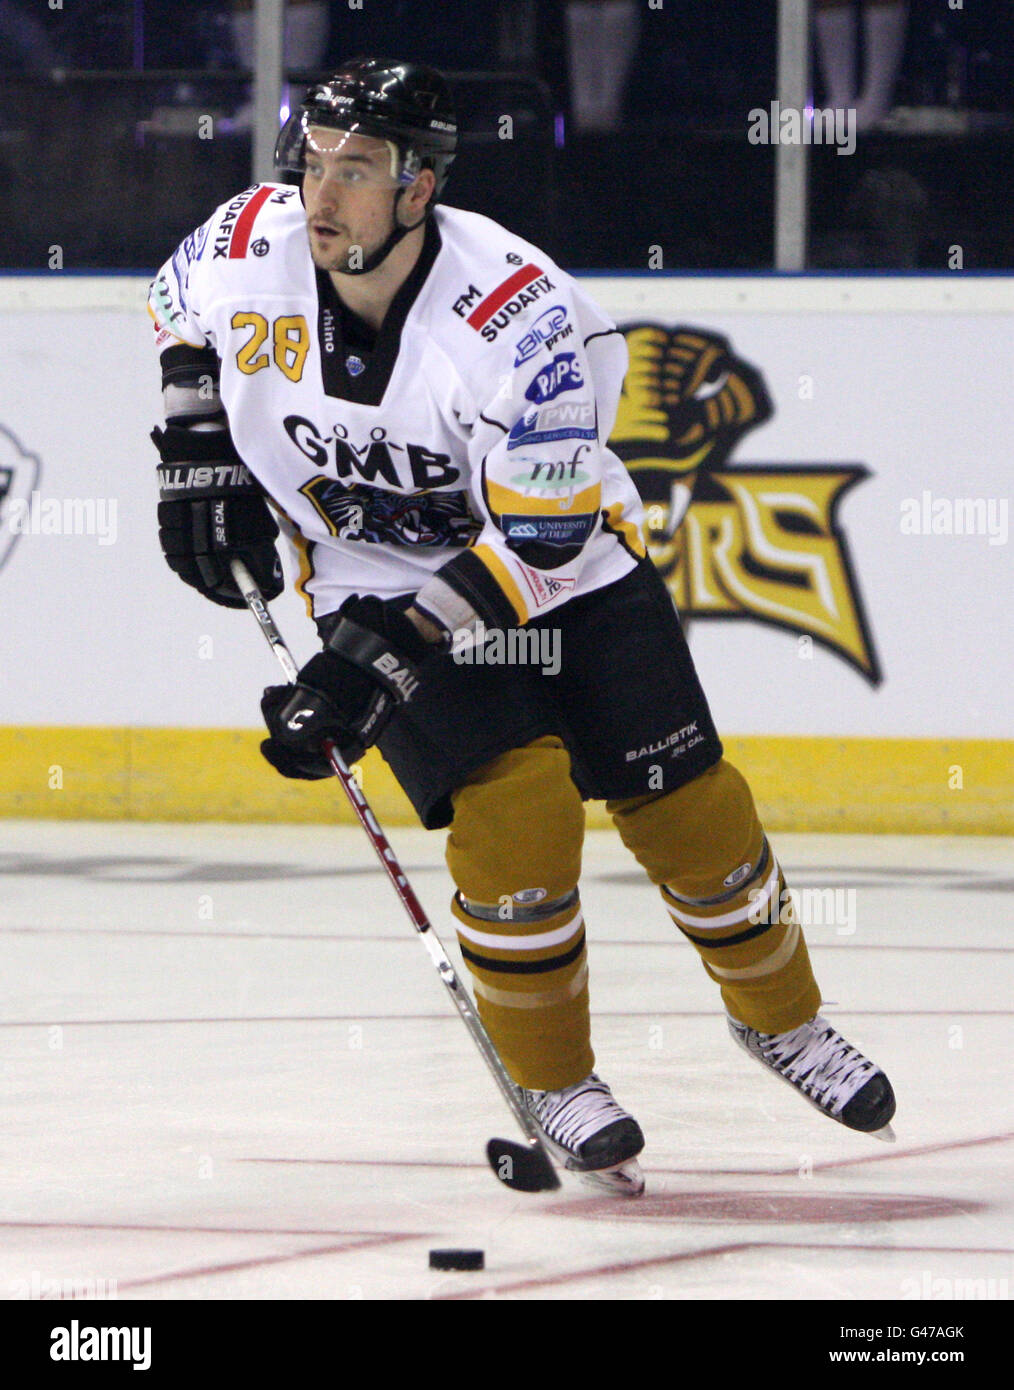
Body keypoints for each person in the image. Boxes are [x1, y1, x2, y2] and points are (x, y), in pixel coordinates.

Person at [147, 58, 896, 1195]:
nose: (324, 196)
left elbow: (538, 543)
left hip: (568, 571)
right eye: (315, 165)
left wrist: (378, 664)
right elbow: (171, 301)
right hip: (369, 575)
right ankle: (555, 1077)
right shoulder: (248, 242)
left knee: (693, 810)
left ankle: (781, 1022)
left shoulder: (518, 315)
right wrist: (195, 443)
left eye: (359, 170)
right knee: (518, 808)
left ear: (420, 187)